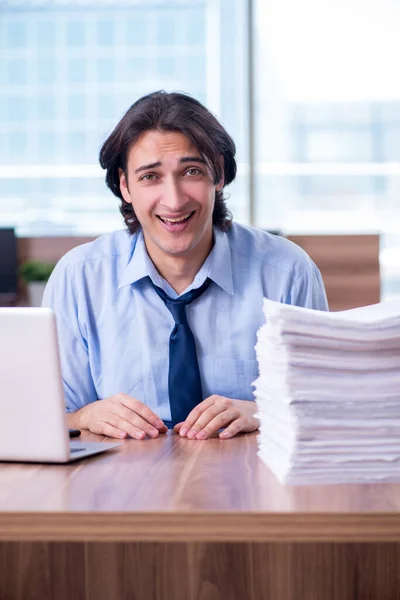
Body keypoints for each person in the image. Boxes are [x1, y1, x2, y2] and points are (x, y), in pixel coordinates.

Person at [43, 90, 328, 442]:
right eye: (150, 176)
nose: (175, 200)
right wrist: (86, 414)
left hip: (250, 478)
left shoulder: (288, 273)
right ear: (124, 185)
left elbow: (323, 407)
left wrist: (266, 411)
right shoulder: (80, 278)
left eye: (191, 171)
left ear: (218, 175)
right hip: (119, 484)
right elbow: (43, 417)